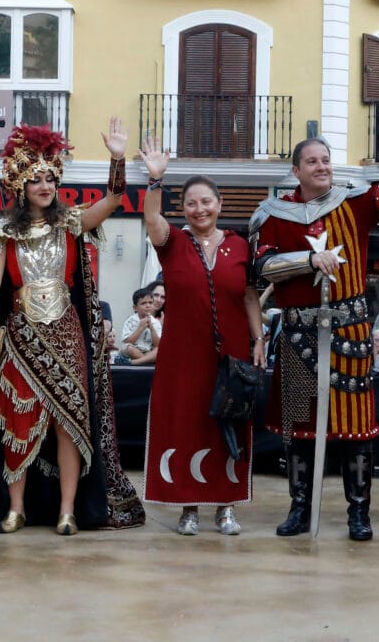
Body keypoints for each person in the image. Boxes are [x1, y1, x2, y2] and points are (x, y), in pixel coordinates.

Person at [251, 99, 379, 541]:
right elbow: (261, 268)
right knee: (299, 427)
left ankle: (359, 513)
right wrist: (306, 259)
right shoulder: (274, 215)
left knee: (355, 426)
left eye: (326, 160)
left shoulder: (355, 202)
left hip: (351, 330)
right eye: (312, 161)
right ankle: (300, 509)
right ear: (295, 170)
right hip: (298, 331)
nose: (322, 167)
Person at [0, 120, 144, 535]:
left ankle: (67, 509)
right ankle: (16, 508)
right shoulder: (1, 232)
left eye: (50, 178)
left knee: (69, 422)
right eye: (35, 180)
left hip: (66, 332)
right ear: (21, 186)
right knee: (17, 420)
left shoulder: (72, 223)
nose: (45, 186)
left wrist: (117, 157)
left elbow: (116, 198)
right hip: (20, 334)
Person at [138, 141, 266, 536]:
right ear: (184, 209)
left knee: (228, 424)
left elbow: (248, 296)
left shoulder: (241, 245)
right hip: (182, 354)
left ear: (219, 203)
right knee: (186, 424)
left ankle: (226, 508)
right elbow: (152, 217)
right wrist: (155, 178)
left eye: (206, 201)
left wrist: (258, 339)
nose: (199, 209)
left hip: (231, 352)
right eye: (191, 203)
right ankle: (187, 507)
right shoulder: (172, 243)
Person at [117, 287, 162, 365]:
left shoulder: (156, 322)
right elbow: (127, 341)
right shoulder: (130, 321)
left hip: (148, 352)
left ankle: (133, 362)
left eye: (150, 302)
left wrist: (152, 329)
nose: (148, 305)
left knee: (159, 350)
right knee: (128, 348)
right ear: (135, 308)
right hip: (134, 350)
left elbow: (157, 344)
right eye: (143, 303)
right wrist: (140, 328)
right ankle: (147, 362)